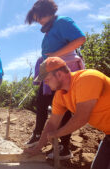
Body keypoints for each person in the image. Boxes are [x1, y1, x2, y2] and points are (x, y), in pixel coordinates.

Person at [24, 0, 86, 159]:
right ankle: (38, 135)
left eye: (39, 18)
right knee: (42, 102)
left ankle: (64, 147)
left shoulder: (62, 22)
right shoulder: (49, 30)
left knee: (62, 108)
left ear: (46, 12)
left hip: (62, 72)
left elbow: (80, 39)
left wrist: (56, 54)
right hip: (51, 71)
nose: (38, 21)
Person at [24, 57, 110, 169]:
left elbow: (81, 118)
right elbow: (52, 124)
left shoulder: (87, 79)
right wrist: (37, 148)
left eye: (47, 79)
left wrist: (57, 133)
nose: (45, 82)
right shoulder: (60, 96)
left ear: (59, 74)